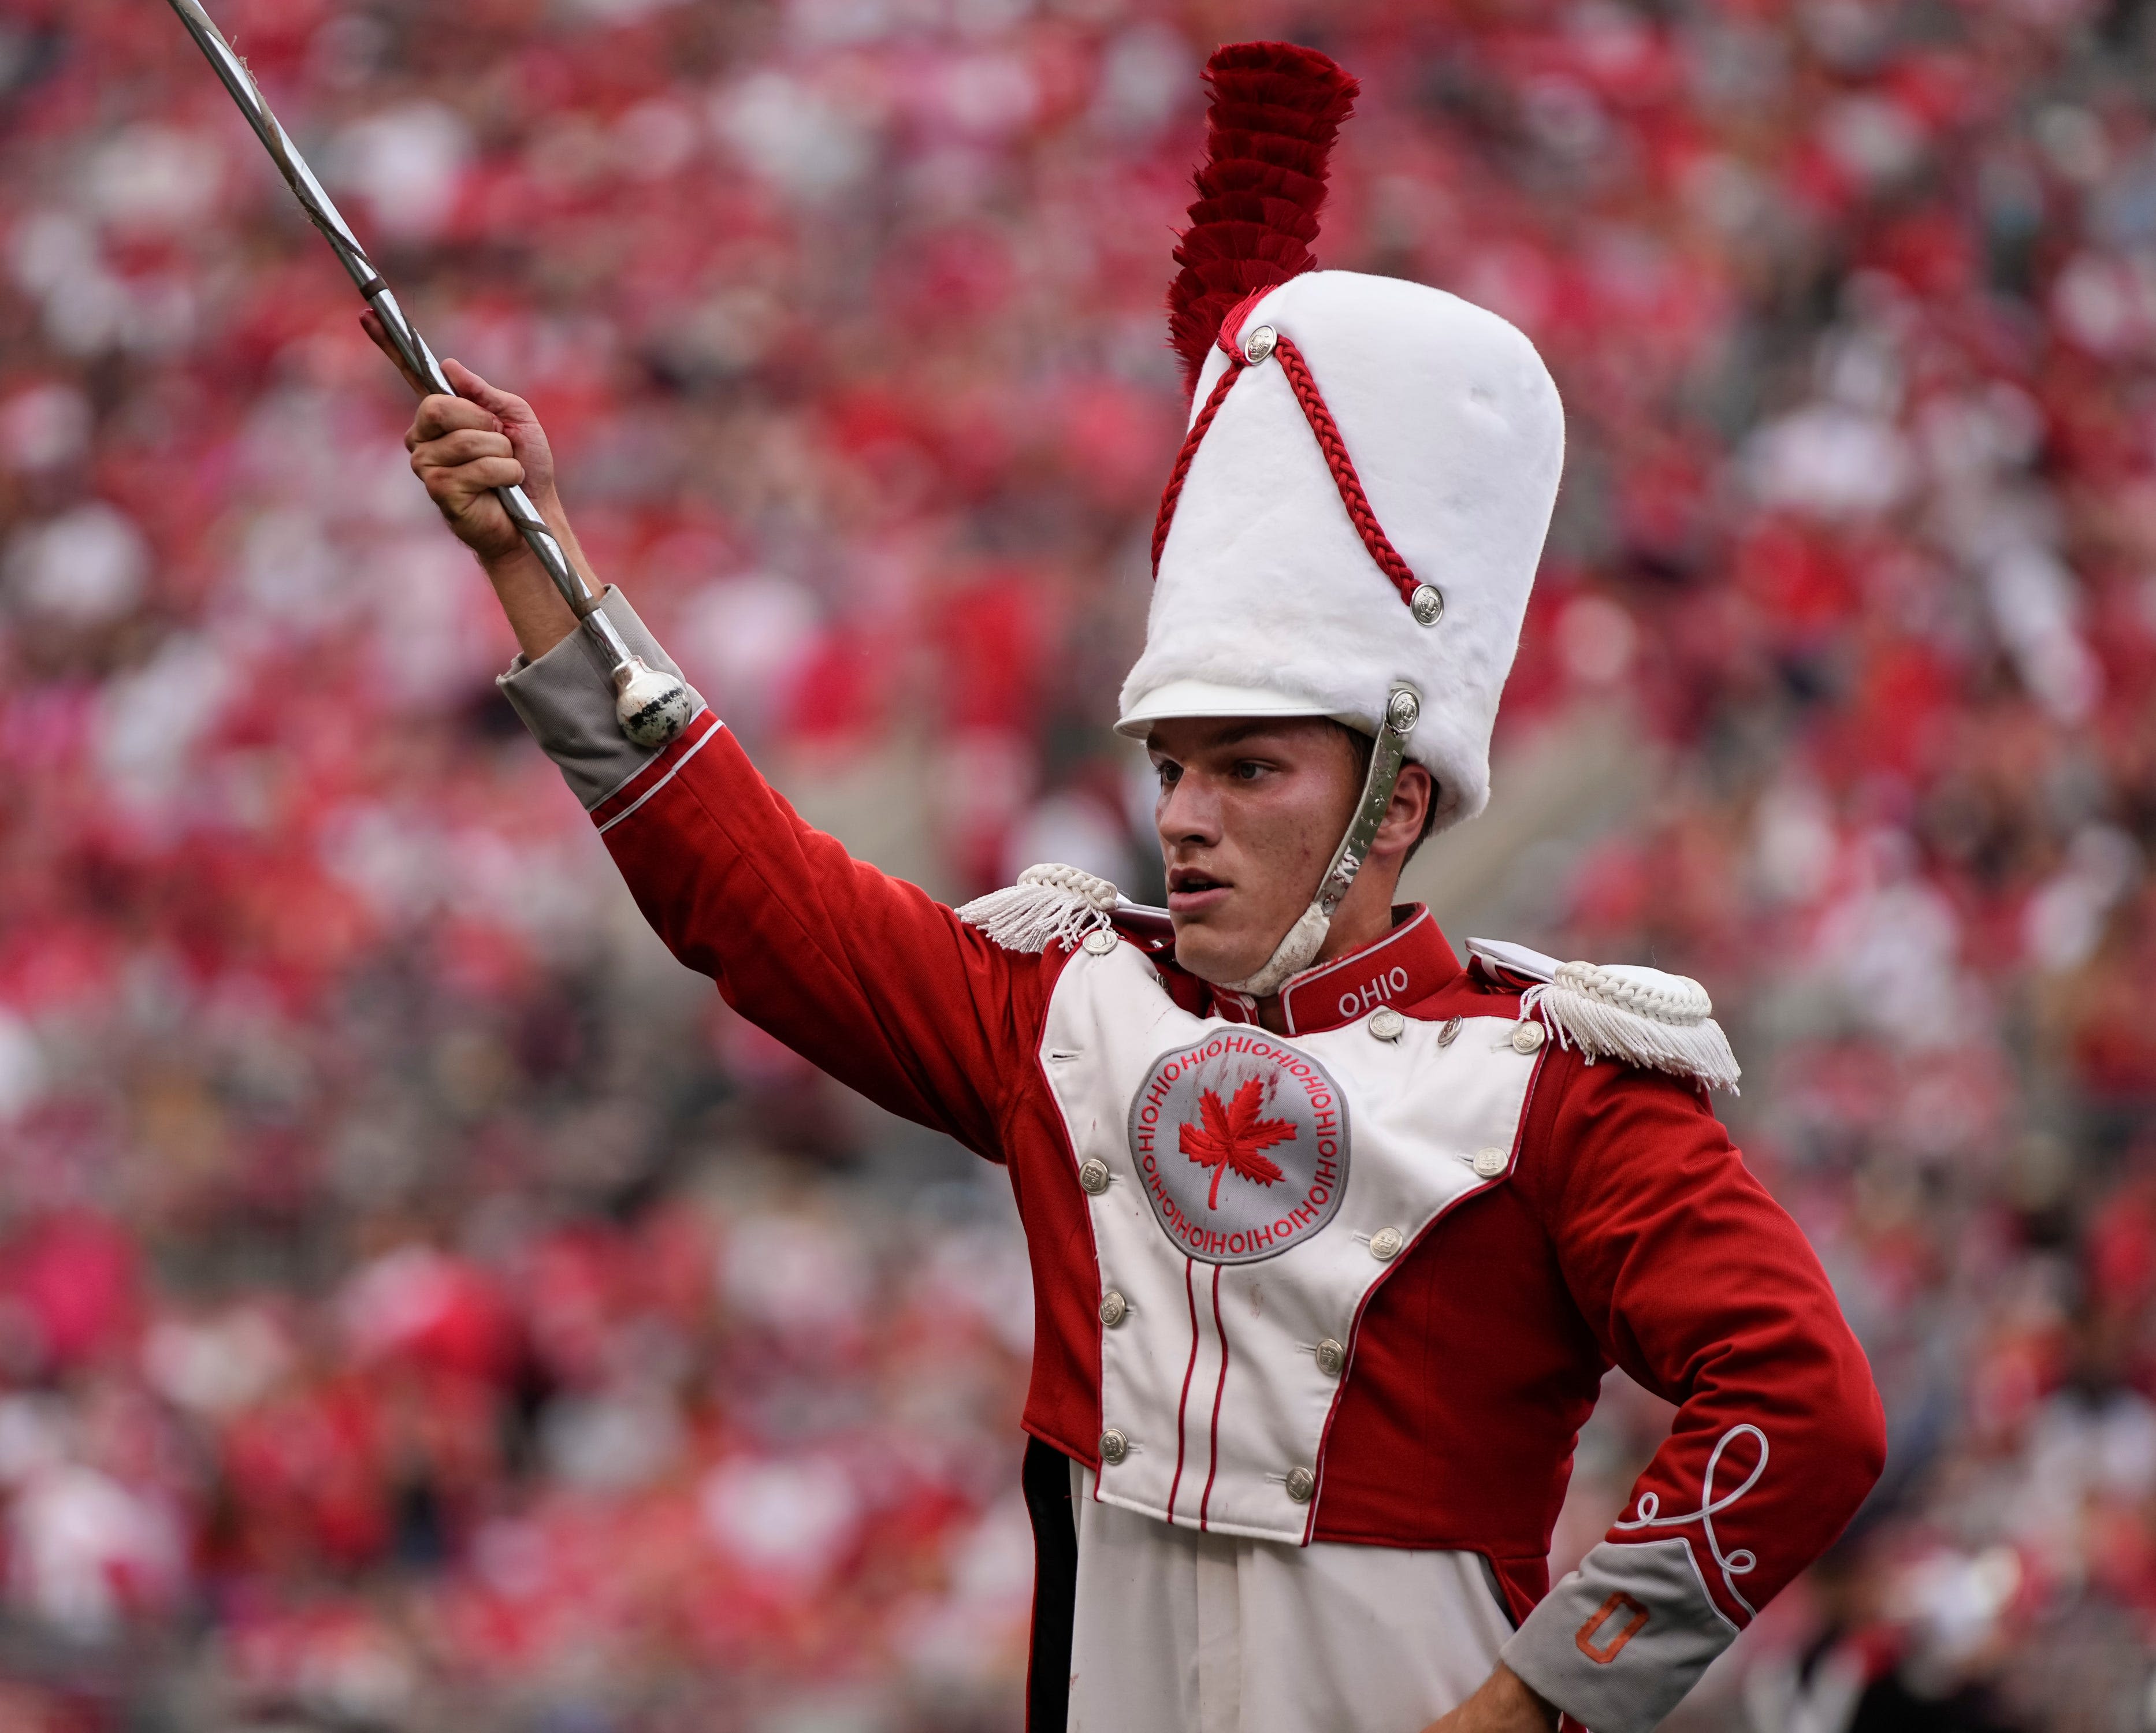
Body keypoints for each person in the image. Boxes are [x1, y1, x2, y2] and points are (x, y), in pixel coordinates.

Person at [376, 41, 1885, 1733]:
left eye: (1249, 773)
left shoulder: (1566, 1094)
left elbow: (1802, 1411)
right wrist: (540, 568)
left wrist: (1543, 1703)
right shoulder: (1065, 1008)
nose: (1184, 817)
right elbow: (743, 896)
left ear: (1393, 804)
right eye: (1174, 767)